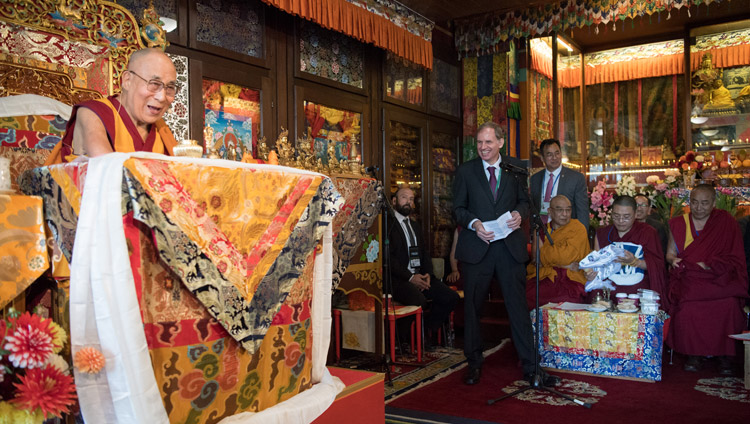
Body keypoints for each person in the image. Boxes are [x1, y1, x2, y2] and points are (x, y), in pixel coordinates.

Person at [453, 121, 559, 387]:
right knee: (472, 309)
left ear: (501, 142)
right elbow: (457, 208)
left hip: (509, 249)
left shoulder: (516, 169)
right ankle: (474, 363)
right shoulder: (466, 171)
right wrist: (474, 224)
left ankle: (531, 367)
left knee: (518, 309)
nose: (483, 147)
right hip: (478, 248)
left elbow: (526, 202)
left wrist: (519, 214)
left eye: (488, 142)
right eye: (479, 142)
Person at [666, 184, 749, 374]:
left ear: (713, 203)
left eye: (705, 203)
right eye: (694, 202)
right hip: (691, 278)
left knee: (729, 304)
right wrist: (674, 260)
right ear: (689, 202)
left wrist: (711, 264)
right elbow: (669, 255)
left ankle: (725, 357)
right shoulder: (679, 223)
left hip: (720, 278)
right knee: (687, 305)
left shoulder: (726, 222)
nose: (699, 207)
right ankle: (694, 355)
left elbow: (736, 258)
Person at [45, 48, 178, 163]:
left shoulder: (161, 129)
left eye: (170, 87)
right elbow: (107, 168)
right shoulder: (92, 113)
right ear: (127, 80)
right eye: (154, 84)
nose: (162, 97)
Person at [388, 187, 459, 348]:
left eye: (411, 199)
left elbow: (424, 253)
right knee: (419, 300)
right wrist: (411, 277)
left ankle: (427, 330)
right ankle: (403, 339)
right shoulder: (388, 225)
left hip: (420, 276)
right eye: (404, 197)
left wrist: (427, 274)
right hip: (400, 280)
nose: (408, 202)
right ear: (394, 201)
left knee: (451, 297)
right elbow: (389, 259)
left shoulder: (415, 225)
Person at [588, 195, 668, 303]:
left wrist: (635, 262)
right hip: (610, 286)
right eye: (616, 216)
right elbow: (597, 265)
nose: (620, 221)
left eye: (626, 217)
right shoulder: (603, 234)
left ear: (635, 214)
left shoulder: (648, 232)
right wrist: (591, 273)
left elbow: (657, 265)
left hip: (638, 288)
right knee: (595, 292)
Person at [526, 195, 590, 309]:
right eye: (560, 210)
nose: (565, 214)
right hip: (545, 276)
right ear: (550, 211)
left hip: (570, 278)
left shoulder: (578, 228)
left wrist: (545, 254)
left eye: (568, 210)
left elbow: (567, 256)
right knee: (528, 295)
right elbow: (537, 259)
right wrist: (564, 265)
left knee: (570, 298)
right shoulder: (541, 231)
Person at [530, 139, 589, 232]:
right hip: (541, 232)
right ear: (542, 158)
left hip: (567, 233)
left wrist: (582, 236)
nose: (554, 157)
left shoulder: (576, 178)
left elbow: (583, 212)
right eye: (549, 154)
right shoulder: (535, 179)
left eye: (557, 153)